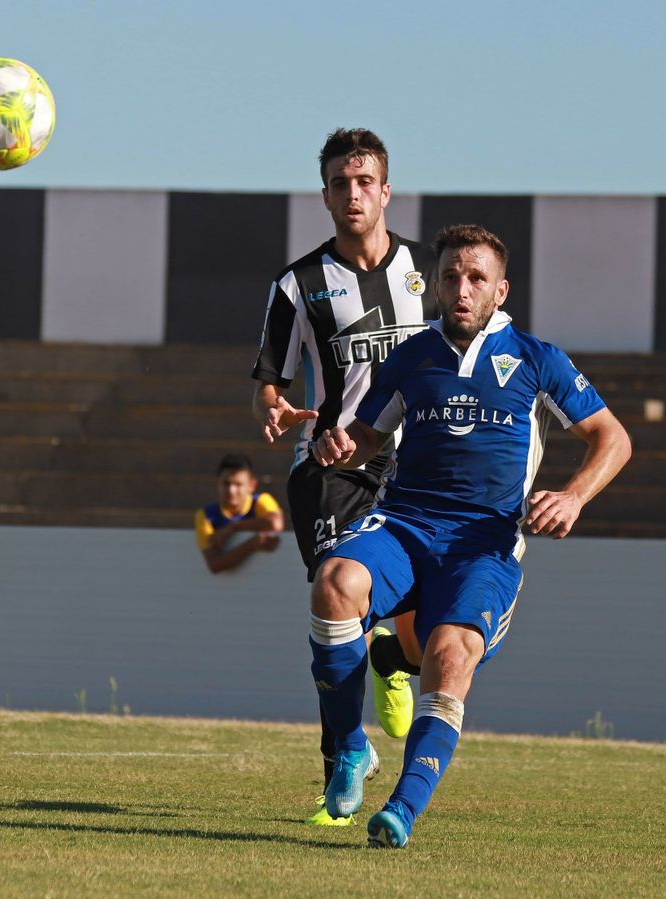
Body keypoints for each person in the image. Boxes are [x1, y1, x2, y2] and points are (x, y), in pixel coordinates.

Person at [307, 224, 632, 849]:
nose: (461, 288)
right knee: (334, 584)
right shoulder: (410, 356)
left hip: (483, 541)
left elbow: (612, 438)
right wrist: (344, 444)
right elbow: (368, 437)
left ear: (500, 290)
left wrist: (572, 496)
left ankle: (401, 809)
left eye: (476, 278)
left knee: (450, 657)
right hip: (404, 521)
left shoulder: (538, 359)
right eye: (451, 276)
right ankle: (351, 750)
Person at [250, 128, 433, 826]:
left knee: (423, 629)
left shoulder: (427, 273)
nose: (353, 193)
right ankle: (343, 762)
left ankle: (391, 656)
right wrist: (274, 412)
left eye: (365, 181)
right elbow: (266, 384)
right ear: (325, 195)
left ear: (386, 190)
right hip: (330, 466)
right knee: (337, 600)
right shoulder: (297, 285)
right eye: (339, 183)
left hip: (417, 469)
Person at [194, 454, 284, 574]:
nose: (231, 490)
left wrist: (233, 527)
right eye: (226, 483)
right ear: (217, 482)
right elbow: (214, 565)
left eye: (238, 484)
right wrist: (252, 544)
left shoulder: (260, 501)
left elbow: (275, 523)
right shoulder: (206, 516)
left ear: (252, 485)